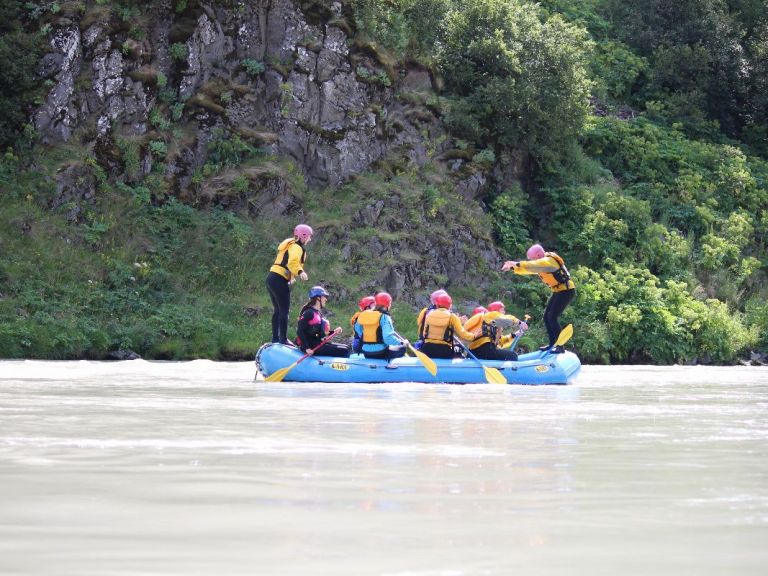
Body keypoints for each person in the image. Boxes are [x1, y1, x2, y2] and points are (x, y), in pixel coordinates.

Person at [502, 243, 575, 353]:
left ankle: (560, 346)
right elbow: (529, 269)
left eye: (532, 259)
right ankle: (552, 344)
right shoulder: (540, 263)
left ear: (538, 255)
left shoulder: (549, 261)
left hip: (567, 291)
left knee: (552, 317)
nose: (531, 261)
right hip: (559, 290)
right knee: (546, 317)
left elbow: (533, 265)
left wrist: (516, 263)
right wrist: (513, 267)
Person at [265, 224, 313, 344]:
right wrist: (300, 271)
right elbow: (292, 262)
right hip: (279, 279)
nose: (310, 239)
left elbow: (285, 262)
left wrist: (290, 277)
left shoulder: (290, 245)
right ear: (303, 236)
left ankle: (275, 339)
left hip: (272, 277)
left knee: (278, 310)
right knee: (284, 311)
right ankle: (283, 339)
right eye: (309, 237)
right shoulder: (297, 247)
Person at [419, 292, 477, 359]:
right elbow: (462, 335)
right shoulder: (452, 316)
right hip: (444, 351)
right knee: (459, 349)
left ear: (437, 304)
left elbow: (424, 333)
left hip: (426, 349)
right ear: (449, 306)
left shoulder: (429, 314)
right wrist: (474, 336)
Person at [296, 286, 350, 357]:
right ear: (318, 298)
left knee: (346, 347)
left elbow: (320, 333)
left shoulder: (318, 313)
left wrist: (334, 332)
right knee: (344, 351)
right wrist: (307, 348)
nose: (326, 299)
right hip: (311, 346)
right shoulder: (309, 312)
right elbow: (300, 330)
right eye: (324, 297)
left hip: (318, 343)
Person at [353, 292, 407, 361]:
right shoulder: (384, 317)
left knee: (390, 345)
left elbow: (358, 329)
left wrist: (368, 338)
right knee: (402, 348)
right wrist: (402, 343)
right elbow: (387, 338)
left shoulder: (362, 315)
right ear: (387, 305)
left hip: (365, 352)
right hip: (380, 353)